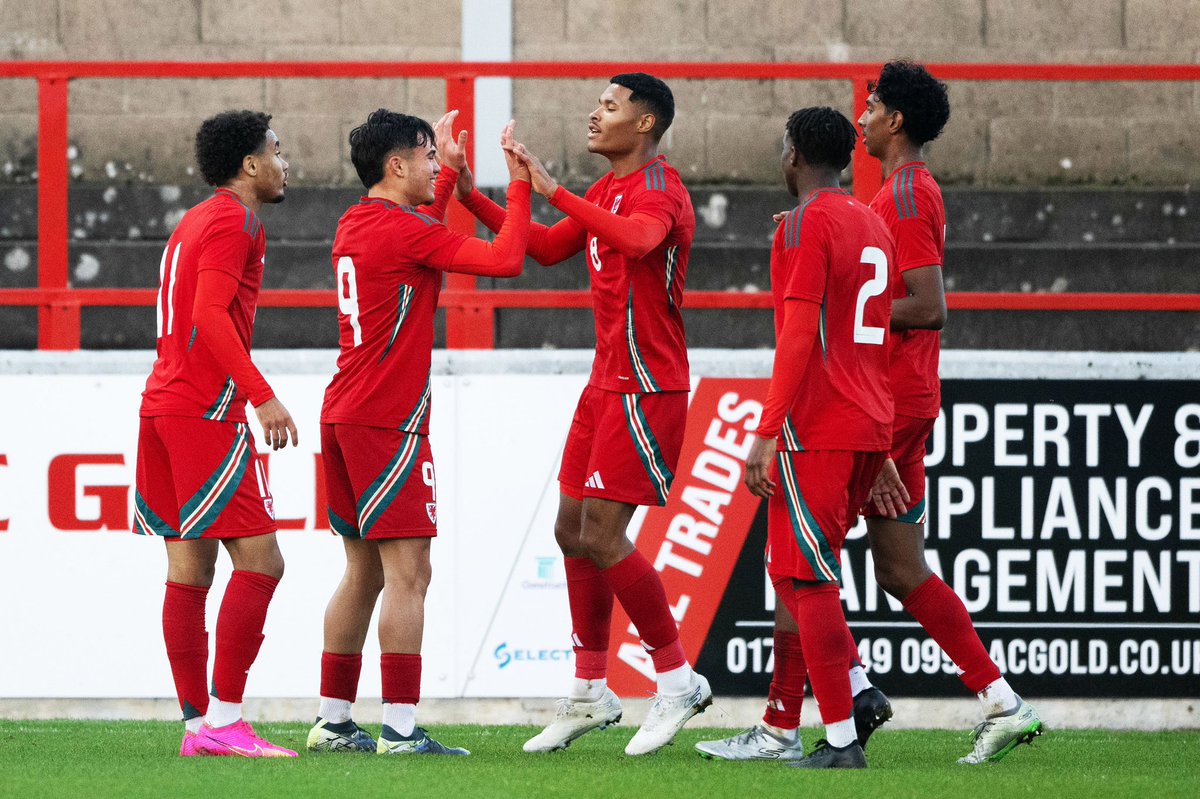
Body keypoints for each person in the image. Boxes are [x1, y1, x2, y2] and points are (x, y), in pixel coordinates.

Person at [454, 73, 708, 756]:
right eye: (596, 104)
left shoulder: (661, 190)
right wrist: (468, 193)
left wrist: (554, 190)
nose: (593, 115)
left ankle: (678, 679)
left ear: (646, 123)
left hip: (646, 388)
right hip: (603, 388)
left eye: (609, 106)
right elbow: (540, 246)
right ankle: (591, 691)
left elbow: (638, 241)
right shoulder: (606, 190)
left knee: (602, 532)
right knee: (572, 529)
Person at [305, 108, 531, 757]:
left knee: (361, 572)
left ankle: (333, 719)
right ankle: (400, 731)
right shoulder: (404, 231)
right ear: (397, 164)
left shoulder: (356, 220)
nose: (437, 165)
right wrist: (517, 184)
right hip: (388, 420)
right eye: (429, 156)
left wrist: (452, 172)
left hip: (345, 410)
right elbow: (507, 258)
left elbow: (418, 239)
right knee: (411, 572)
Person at [857, 60, 1043, 765]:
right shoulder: (900, 191)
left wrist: (845, 308)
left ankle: (797, 719)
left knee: (795, 543)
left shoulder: (905, 197)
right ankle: (1003, 701)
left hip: (888, 403)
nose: (863, 114)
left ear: (896, 120)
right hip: (902, 401)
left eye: (873, 104)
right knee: (902, 569)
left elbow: (928, 307)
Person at [710, 106, 896, 770]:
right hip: (867, 421)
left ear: (792, 154)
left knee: (808, 577)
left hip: (818, 424)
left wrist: (766, 430)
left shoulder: (803, 224)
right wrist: (882, 436)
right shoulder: (873, 221)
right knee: (792, 569)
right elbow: (873, 334)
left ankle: (843, 739)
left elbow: (798, 335)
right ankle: (854, 688)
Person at [135, 110, 299, 758]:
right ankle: (225, 722)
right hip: (204, 408)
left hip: (162, 403)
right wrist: (262, 396)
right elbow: (208, 312)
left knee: (189, 565)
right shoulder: (238, 219)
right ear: (250, 164)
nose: (285, 164)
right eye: (277, 152)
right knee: (263, 560)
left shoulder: (196, 220)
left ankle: (198, 723)